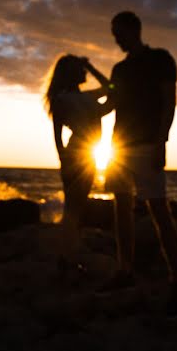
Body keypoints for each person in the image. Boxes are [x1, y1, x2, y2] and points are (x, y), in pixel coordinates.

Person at [99, 10, 177, 317]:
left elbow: (169, 102)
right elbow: (110, 103)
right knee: (120, 207)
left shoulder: (161, 59)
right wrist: (76, 106)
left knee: (159, 210)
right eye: (113, 33)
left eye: (117, 32)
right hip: (119, 147)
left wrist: (162, 141)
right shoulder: (118, 70)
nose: (115, 38)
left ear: (133, 29)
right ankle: (124, 271)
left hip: (148, 144)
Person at [44, 54, 112, 280]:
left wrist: (89, 65)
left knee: (75, 210)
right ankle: (67, 260)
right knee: (73, 210)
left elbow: (113, 90)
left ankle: (68, 258)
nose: (84, 73)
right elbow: (57, 135)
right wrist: (64, 160)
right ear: (72, 73)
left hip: (84, 156)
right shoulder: (69, 99)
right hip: (78, 156)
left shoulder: (82, 98)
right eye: (80, 69)